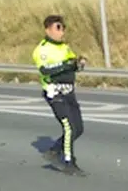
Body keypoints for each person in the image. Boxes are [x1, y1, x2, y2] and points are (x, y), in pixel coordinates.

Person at [32, 14, 88, 175]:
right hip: (55, 93)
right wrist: (65, 65)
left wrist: (78, 64)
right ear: (48, 29)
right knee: (69, 127)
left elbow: (72, 65)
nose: (61, 31)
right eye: (58, 28)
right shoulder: (42, 50)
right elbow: (45, 70)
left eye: (63, 28)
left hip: (69, 92)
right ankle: (69, 162)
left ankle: (54, 150)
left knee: (78, 129)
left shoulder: (64, 47)